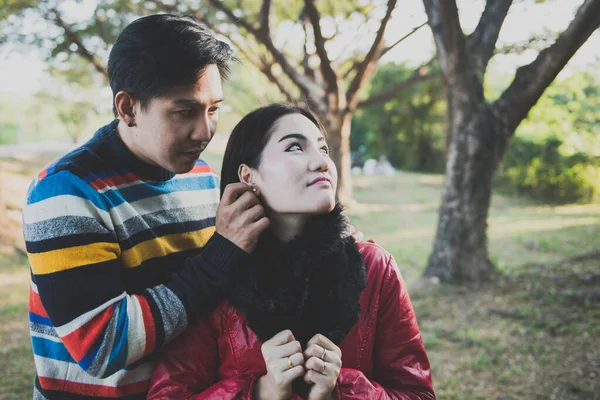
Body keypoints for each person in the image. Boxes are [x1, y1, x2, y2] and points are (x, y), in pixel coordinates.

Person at [22, 14, 269, 399]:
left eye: (214, 109)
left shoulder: (201, 175)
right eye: (185, 112)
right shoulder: (66, 193)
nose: (205, 131)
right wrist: (222, 254)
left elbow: (224, 288)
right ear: (128, 108)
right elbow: (103, 346)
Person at [148, 104, 435, 399]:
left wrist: (342, 391)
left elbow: (417, 393)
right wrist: (261, 391)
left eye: (323, 150)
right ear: (248, 175)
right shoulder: (213, 275)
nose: (322, 163)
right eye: (295, 147)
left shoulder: (374, 267)